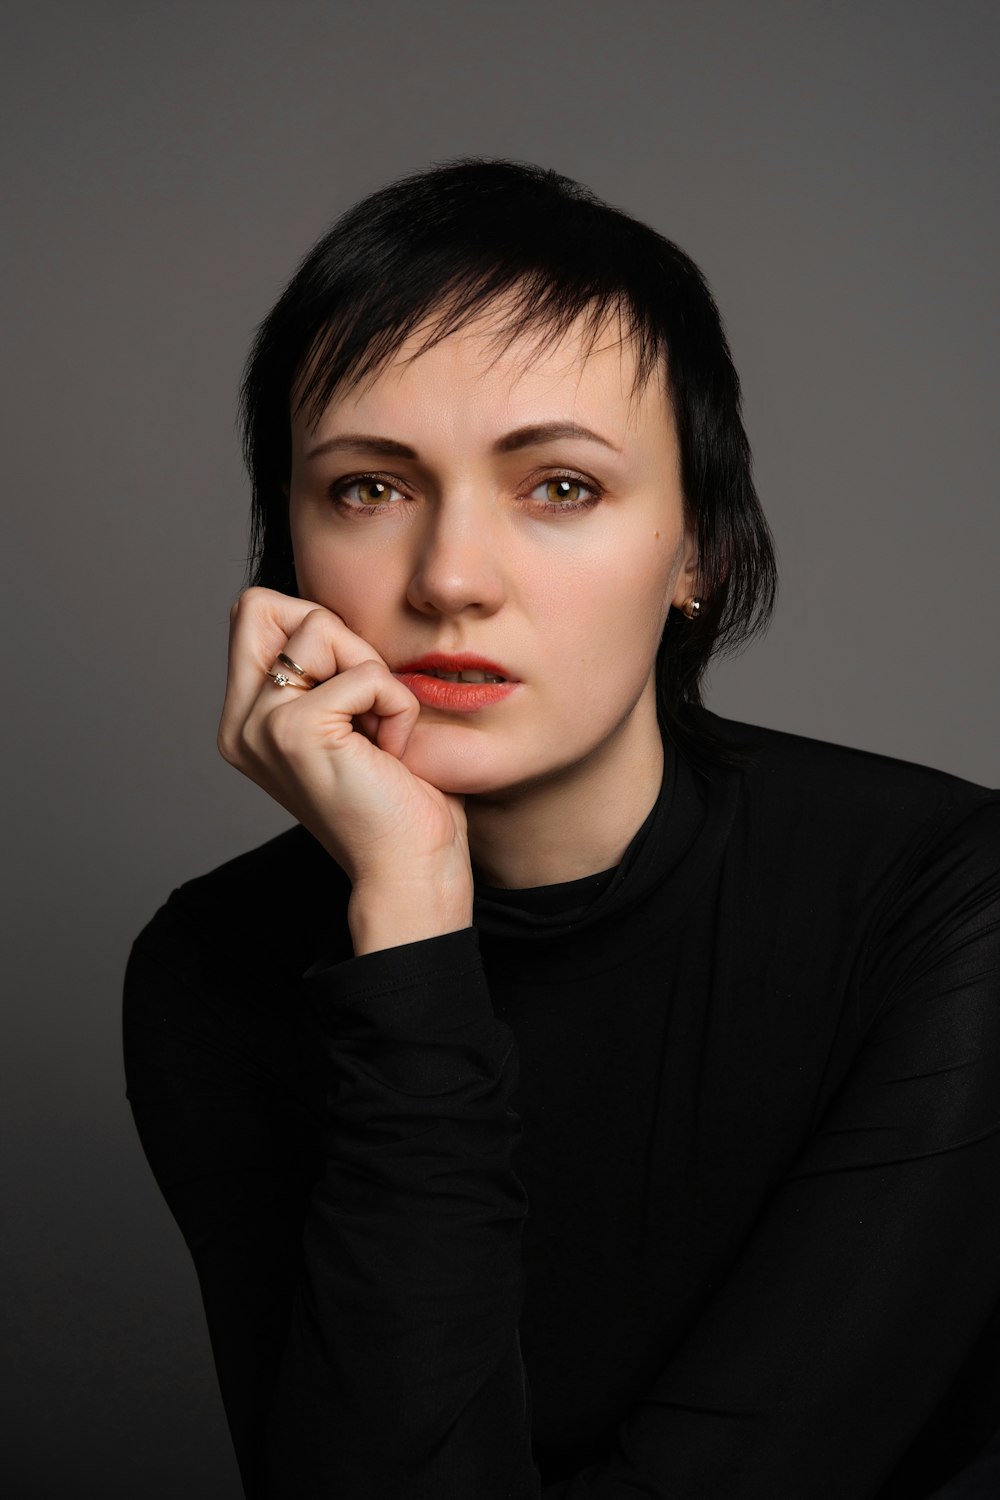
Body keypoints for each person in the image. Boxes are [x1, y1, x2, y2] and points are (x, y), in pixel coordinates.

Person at [123, 158, 1000, 1500]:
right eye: (369, 487)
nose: (452, 580)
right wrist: (412, 915)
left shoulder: (945, 900)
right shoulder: (214, 968)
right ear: (288, 554)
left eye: (561, 487)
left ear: (698, 547)